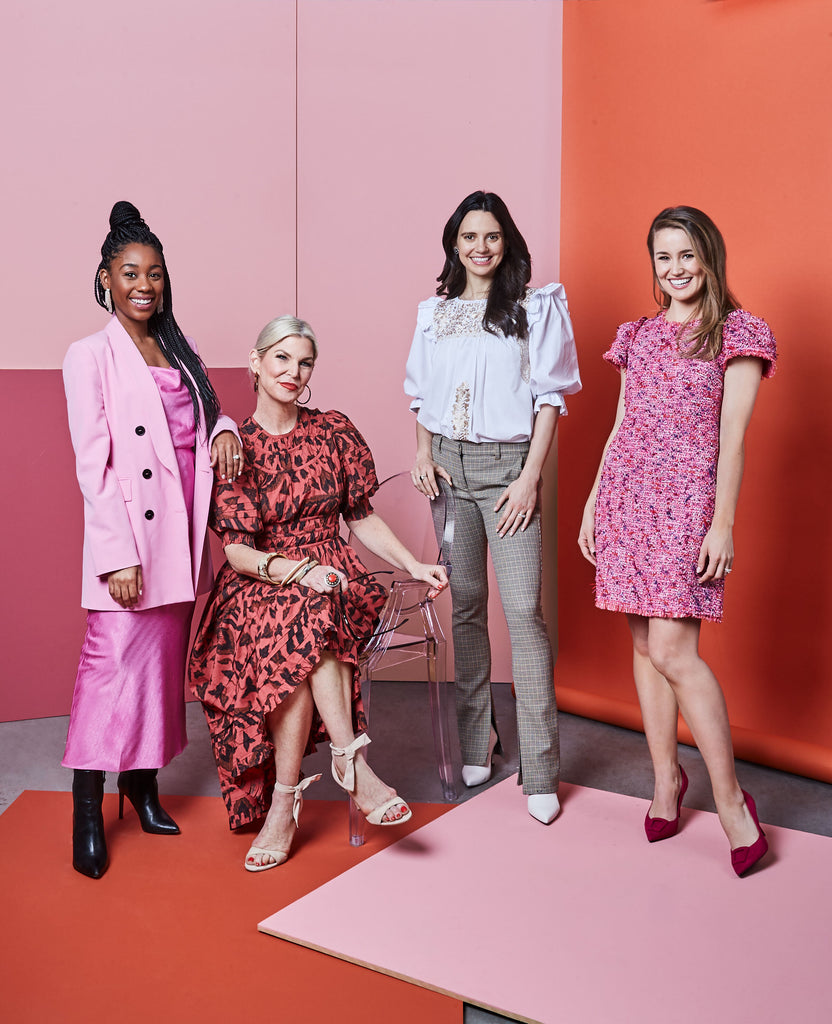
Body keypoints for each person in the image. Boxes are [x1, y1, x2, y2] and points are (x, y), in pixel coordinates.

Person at [189, 316, 448, 872]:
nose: (293, 372)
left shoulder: (333, 429)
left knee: (315, 609)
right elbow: (236, 551)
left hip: (333, 576)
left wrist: (413, 563)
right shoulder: (236, 446)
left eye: (304, 362)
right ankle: (350, 763)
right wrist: (297, 573)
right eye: (281, 358)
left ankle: (288, 802)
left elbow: (360, 516)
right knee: (303, 612)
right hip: (260, 578)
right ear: (256, 363)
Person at [578, 206, 776, 877]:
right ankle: (666, 779)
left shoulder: (737, 332)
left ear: (710, 255)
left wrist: (722, 521)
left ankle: (731, 805)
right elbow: (620, 425)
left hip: (689, 503)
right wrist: (592, 502)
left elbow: (734, 439)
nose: (676, 269)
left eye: (687, 254)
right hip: (627, 500)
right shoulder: (635, 334)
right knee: (642, 642)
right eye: (663, 257)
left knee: (673, 648)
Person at [62, 201, 242, 879]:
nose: (146, 284)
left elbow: (211, 416)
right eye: (131, 272)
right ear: (106, 278)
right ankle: (87, 806)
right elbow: (93, 464)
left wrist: (224, 436)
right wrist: (116, 556)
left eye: (156, 274)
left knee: (159, 673)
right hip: (132, 539)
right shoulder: (88, 356)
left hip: (180, 533)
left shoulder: (177, 347)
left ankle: (141, 787)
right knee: (110, 672)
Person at [404, 190, 581, 824]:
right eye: (469, 237)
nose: (481, 248)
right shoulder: (436, 313)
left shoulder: (535, 307)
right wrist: (423, 455)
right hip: (448, 470)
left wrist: (532, 479)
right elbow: (421, 394)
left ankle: (540, 767)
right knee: (468, 605)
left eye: (493, 237)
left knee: (525, 612)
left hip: (510, 472)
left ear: (507, 244)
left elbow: (550, 399)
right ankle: (477, 740)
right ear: (455, 244)